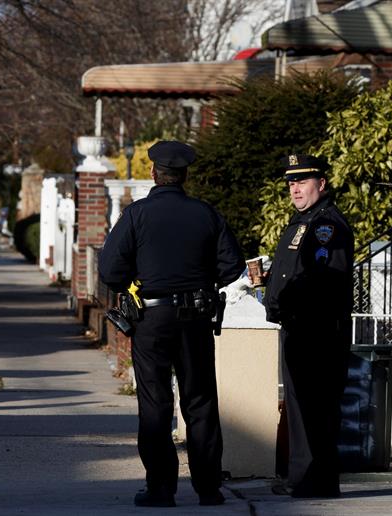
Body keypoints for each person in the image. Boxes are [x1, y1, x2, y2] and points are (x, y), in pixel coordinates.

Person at [98, 140, 244, 508]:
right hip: (195, 316)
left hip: (152, 316)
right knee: (200, 401)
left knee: (155, 402)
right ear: (184, 176)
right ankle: (208, 488)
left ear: (153, 174)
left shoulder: (136, 215)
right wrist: (200, 281)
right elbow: (232, 265)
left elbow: (110, 271)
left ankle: (161, 487)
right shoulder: (205, 214)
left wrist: (139, 278)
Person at [260, 153, 354, 498]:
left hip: (317, 330)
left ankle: (315, 481)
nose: (295, 189)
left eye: (302, 182)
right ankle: (304, 479)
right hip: (299, 327)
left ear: (321, 184)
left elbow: (324, 279)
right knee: (302, 408)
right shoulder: (303, 222)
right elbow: (297, 272)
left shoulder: (326, 226)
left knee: (317, 407)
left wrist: (294, 300)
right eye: (291, 183)